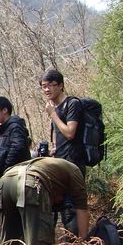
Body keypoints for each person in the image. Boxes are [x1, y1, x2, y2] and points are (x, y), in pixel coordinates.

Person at [40, 69, 84, 235]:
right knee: (60, 207)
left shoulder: (72, 104)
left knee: (71, 208)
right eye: (44, 86)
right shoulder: (56, 108)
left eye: (51, 85)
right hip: (60, 163)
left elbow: (70, 132)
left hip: (73, 164)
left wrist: (53, 115)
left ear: (61, 85)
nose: (47, 89)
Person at [0, 96, 31, 245]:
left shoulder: (14, 126)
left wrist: (7, 168)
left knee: (10, 213)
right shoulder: (6, 127)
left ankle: (10, 244)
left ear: (5, 110)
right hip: (9, 176)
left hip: (14, 178)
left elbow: (17, 147)